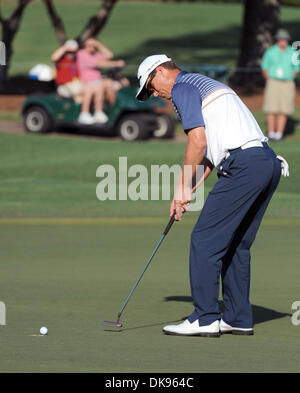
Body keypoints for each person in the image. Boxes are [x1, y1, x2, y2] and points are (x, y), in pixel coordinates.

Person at [136, 54, 289, 337]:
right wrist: (186, 193)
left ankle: (205, 317)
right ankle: (237, 318)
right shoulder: (205, 83)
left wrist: (181, 187)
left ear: (160, 71)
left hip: (244, 166)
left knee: (204, 239)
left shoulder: (182, 87)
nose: (154, 94)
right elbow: (210, 155)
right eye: (148, 93)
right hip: (266, 163)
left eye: (150, 86)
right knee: (236, 245)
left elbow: (197, 141)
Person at [261, 29, 299, 141]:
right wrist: (269, 79)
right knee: (271, 109)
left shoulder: (292, 52)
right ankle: (271, 133)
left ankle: (279, 134)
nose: (284, 42)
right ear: (278, 40)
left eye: (286, 40)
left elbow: (296, 67)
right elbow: (264, 67)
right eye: (282, 39)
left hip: (287, 82)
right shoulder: (270, 52)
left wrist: (291, 75)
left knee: (284, 109)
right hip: (273, 82)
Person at [76, 38, 125, 124]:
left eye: (93, 45)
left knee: (110, 84)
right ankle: (88, 113)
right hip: (87, 83)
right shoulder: (81, 54)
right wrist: (116, 63)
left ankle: (112, 110)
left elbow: (109, 55)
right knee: (100, 85)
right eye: (89, 45)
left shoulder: (96, 54)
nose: (92, 47)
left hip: (97, 82)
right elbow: (98, 63)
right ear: (84, 46)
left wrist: (98, 44)